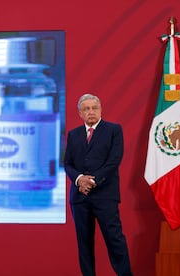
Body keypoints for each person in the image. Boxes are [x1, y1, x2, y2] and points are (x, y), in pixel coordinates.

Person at [64, 93, 133, 276]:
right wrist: (79, 179)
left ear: (101, 110)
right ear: (80, 113)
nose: (91, 112)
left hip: (105, 196)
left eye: (94, 108)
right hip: (80, 198)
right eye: (86, 109)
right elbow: (67, 164)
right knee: (84, 244)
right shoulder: (73, 135)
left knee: (115, 241)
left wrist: (91, 181)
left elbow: (114, 160)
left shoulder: (113, 130)